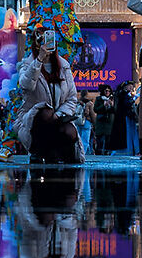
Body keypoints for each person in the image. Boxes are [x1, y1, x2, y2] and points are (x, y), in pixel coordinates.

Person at [12, 34, 86, 163]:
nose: (46, 44)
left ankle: (59, 153)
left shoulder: (63, 66)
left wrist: (59, 114)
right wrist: (39, 59)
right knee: (46, 112)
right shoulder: (27, 64)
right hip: (35, 120)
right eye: (42, 41)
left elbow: (72, 97)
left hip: (58, 117)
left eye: (50, 40)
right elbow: (26, 85)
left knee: (70, 131)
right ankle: (39, 151)